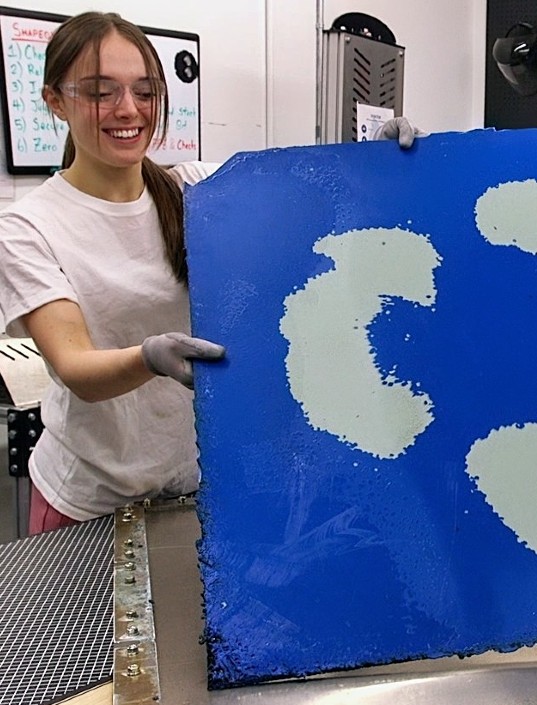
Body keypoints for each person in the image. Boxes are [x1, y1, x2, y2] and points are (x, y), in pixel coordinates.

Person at [0, 12, 418, 535]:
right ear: (55, 100)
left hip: (193, 486)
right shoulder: (28, 226)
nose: (127, 110)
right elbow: (75, 366)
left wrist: (372, 162)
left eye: (145, 92)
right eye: (100, 92)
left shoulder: (195, 188)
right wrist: (149, 357)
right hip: (89, 503)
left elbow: (308, 200)